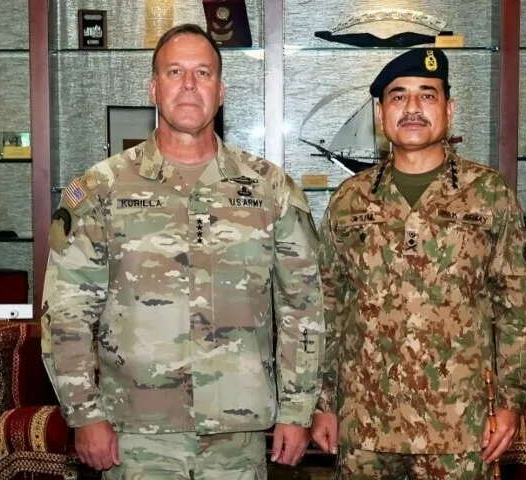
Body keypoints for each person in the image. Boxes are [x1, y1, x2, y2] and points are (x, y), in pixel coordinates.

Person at [40, 23, 326, 480]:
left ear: (221, 91)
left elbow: (303, 306)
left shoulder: (270, 188)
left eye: (203, 73)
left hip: (238, 431)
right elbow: (67, 310)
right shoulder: (102, 189)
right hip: (135, 434)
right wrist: (83, 413)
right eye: (175, 72)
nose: (189, 85)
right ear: (153, 89)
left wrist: (298, 409)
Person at [310, 48, 526, 479]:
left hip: (461, 426)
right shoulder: (349, 200)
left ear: (449, 110)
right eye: (398, 97)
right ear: (380, 114)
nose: (413, 108)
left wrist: (510, 402)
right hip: (366, 423)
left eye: (427, 95)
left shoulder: (488, 194)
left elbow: (520, 308)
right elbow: (327, 306)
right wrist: (324, 402)